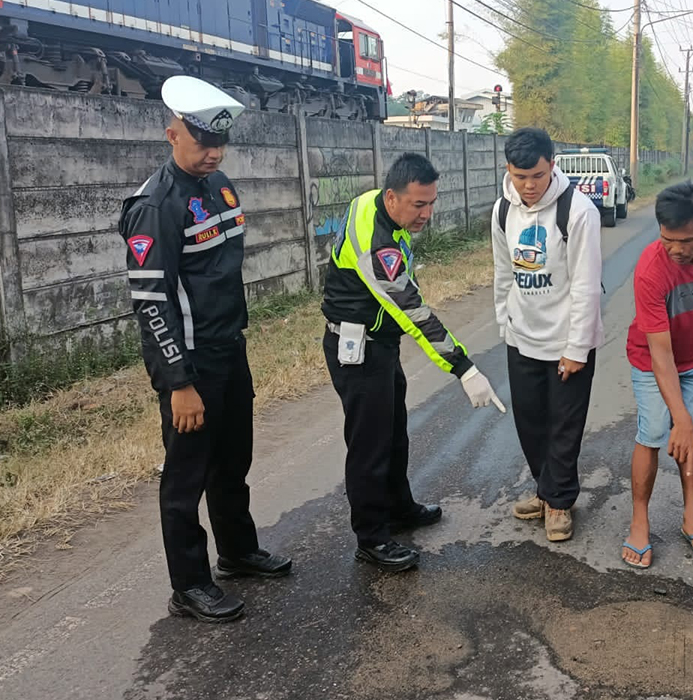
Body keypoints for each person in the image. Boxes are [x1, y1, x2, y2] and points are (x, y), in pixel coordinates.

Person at [119, 76, 291, 624]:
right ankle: (189, 585)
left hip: (227, 350)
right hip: (189, 362)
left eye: (220, 143)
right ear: (172, 135)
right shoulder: (155, 206)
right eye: (201, 143)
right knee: (185, 477)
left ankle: (238, 552)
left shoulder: (219, 186)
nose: (213, 152)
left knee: (233, 459)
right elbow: (152, 303)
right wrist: (179, 384)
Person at [322, 153, 506, 572]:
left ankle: (399, 508)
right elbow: (413, 311)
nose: (427, 213)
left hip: (379, 343)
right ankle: (371, 538)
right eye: (418, 205)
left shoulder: (372, 203)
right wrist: (464, 368)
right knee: (369, 445)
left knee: (393, 433)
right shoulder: (377, 243)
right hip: (357, 349)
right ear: (392, 197)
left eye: (431, 202)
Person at [491, 127, 603, 542]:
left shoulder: (577, 210)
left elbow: (587, 284)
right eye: (521, 177)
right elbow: (503, 272)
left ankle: (559, 501)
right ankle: (544, 488)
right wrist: (506, 322)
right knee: (530, 422)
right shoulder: (503, 210)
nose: (529, 185)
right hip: (523, 338)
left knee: (564, 424)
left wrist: (577, 347)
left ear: (552, 166)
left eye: (537, 175)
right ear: (509, 170)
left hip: (567, 342)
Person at [620, 182, 693, 569]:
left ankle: (691, 518)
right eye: (667, 239)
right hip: (653, 359)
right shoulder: (650, 271)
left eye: (685, 240)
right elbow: (661, 356)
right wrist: (680, 419)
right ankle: (640, 521)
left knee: (691, 436)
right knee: (654, 433)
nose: (675, 249)